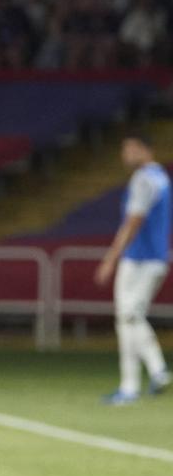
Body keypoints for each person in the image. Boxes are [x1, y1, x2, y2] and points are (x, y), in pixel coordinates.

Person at [94, 134, 171, 404]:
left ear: (144, 149)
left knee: (127, 317)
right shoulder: (162, 178)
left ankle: (137, 381)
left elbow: (133, 221)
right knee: (131, 317)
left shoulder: (143, 179)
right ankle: (150, 374)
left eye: (129, 149)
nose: (125, 155)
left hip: (139, 259)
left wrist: (111, 258)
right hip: (157, 257)